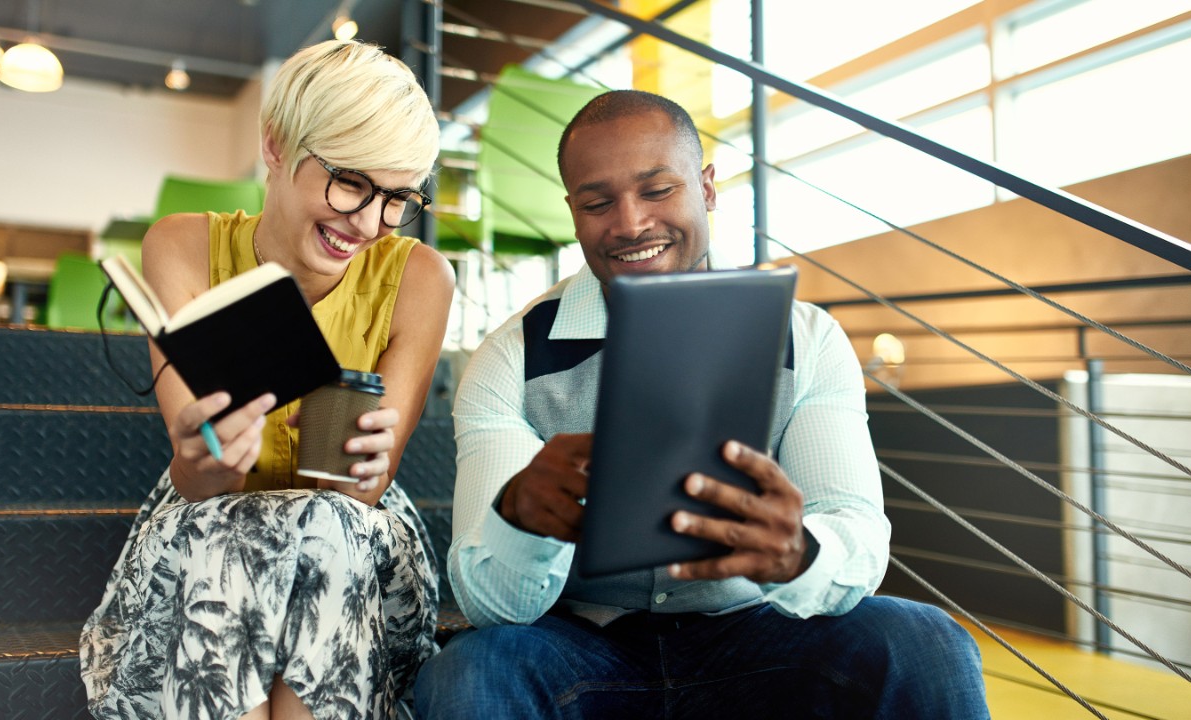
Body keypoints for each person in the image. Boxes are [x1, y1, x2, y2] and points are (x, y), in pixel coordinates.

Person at [413, 90, 989, 719]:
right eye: (598, 203)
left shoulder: (807, 340)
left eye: (657, 190)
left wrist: (799, 553)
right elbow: (488, 606)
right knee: (469, 669)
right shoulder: (511, 358)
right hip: (580, 649)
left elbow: (856, 533)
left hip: (757, 632)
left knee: (928, 643)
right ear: (574, 214)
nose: (630, 224)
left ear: (707, 188)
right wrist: (518, 516)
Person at [80, 40, 455, 720]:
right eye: (350, 183)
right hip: (213, 522)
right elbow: (200, 480)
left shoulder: (421, 278)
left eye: (397, 198)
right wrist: (206, 457)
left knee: (326, 525)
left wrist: (348, 454)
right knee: (230, 537)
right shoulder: (183, 244)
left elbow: (362, 491)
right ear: (276, 146)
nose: (368, 223)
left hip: (348, 533)